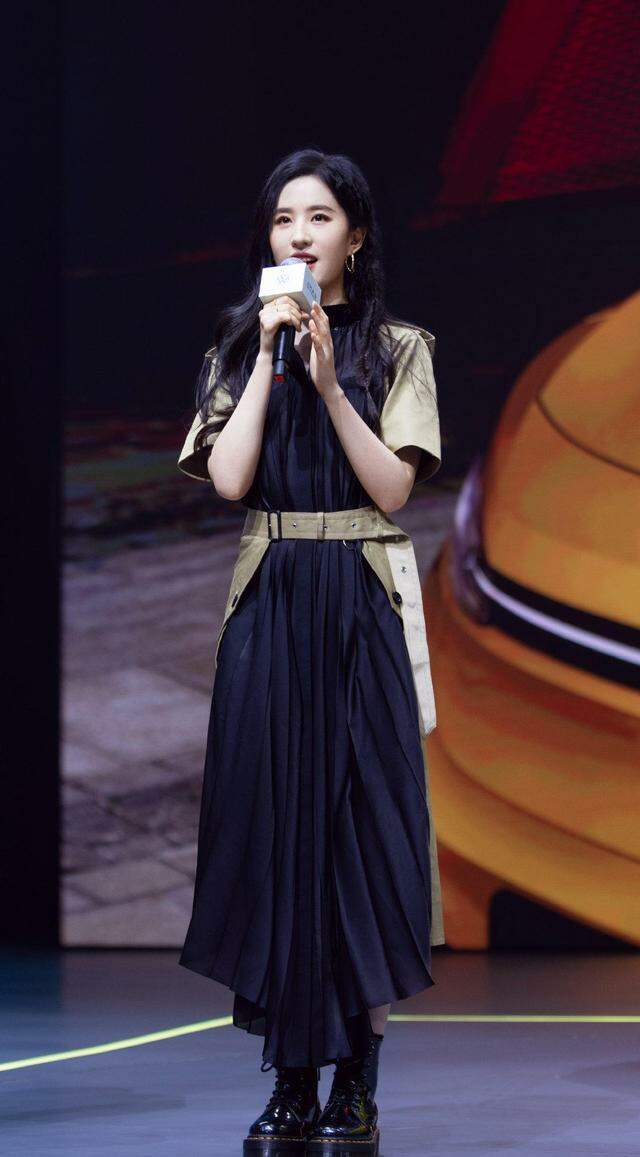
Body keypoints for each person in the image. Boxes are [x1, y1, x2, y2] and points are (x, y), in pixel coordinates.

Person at [177, 148, 445, 1157]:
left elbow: (393, 490)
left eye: (321, 216)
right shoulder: (235, 344)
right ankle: (290, 1078)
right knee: (272, 827)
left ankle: (357, 1077)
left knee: (364, 832)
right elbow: (229, 477)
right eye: (285, 217)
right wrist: (268, 359)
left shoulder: (400, 348)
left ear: (355, 236)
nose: (300, 232)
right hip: (272, 597)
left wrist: (331, 385)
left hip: (359, 599)